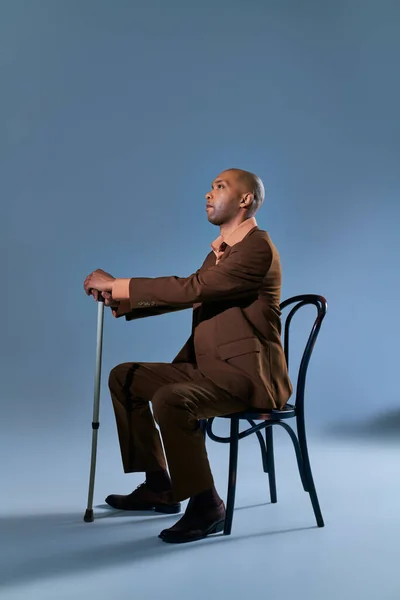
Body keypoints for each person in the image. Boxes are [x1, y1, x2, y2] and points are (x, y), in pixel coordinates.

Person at [83, 168, 292, 544]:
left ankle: (206, 503)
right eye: (211, 188)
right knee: (124, 377)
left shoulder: (257, 248)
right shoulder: (219, 255)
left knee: (171, 399)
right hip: (208, 368)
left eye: (220, 187)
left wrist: (117, 284)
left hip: (247, 376)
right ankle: (160, 485)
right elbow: (196, 294)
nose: (208, 195)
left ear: (245, 200)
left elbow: (193, 287)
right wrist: (120, 298)